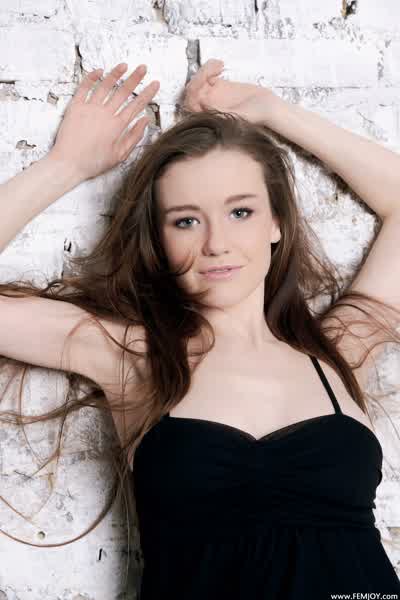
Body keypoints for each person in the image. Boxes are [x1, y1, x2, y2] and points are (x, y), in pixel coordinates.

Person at [0, 58, 400, 599]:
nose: (215, 243)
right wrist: (66, 165)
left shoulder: (338, 354)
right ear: (159, 239)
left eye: (241, 212)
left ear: (277, 222)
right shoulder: (132, 357)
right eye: (186, 220)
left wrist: (273, 111)